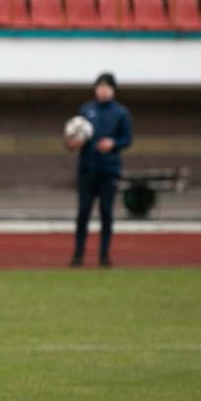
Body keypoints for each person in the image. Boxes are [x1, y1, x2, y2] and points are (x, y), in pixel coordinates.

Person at [67, 72, 131, 268]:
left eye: (107, 87)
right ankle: (78, 254)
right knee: (83, 212)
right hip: (87, 169)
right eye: (100, 87)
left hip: (109, 170)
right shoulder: (86, 110)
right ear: (95, 89)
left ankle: (104, 255)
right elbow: (73, 137)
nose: (103, 91)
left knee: (106, 212)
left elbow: (127, 139)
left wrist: (113, 143)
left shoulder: (121, 113)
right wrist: (72, 143)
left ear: (113, 90)